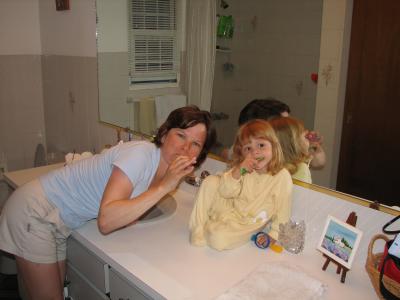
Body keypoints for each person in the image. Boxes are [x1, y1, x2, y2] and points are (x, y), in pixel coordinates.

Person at [0, 106, 216, 300]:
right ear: (163, 133)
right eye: (181, 135)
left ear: (200, 155)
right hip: (34, 211)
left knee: (55, 291)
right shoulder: (140, 155)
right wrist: (164, 188)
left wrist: (165, 185)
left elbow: (130, 212)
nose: (186, 148)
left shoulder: (162, 172)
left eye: (195, 143)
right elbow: (106, 221)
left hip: (57, 220)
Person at [189, 119, 293, 251]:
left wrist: (273, 235)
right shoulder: (243, 167)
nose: (255, 152)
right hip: (228, 208)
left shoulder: (282, 177)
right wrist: (238, 172)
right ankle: (198, 228)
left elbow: (283, 213)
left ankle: (213, 227)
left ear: (274, 146)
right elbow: (225, 192)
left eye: (261, 145)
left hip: (247, 223)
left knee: (217, 240)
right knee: (210, 181)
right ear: (242, 153)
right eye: (248, 148)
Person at [221, 98, 326, 169]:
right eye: (284, 126)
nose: (289, 131)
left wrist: (314, 146)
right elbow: (227, 154)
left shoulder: (289, 148)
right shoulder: (246, 150)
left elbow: (319, 162)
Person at [269, 116, 313, 184]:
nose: (308, 140)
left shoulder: (267, 168)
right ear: (295, 143)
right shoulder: (301, 168)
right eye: (305, 136)